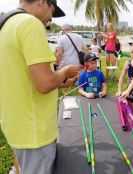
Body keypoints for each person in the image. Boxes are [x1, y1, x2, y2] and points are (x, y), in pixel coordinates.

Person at [0, 0, 80, 174]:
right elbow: (44, 84)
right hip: (34, 130)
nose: (51, 19)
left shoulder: (5, 24)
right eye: (52, 11)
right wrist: (66, 71)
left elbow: (20, 75)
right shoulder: (30, 23)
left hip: (16, 125)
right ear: (42, 2)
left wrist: (59, 81)